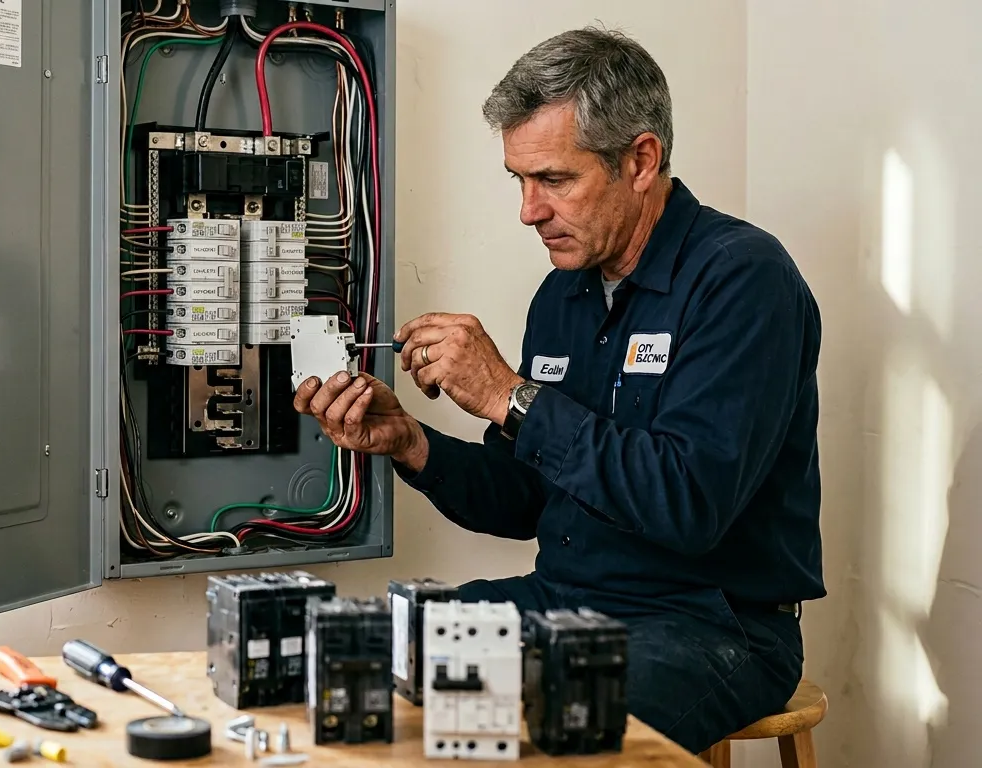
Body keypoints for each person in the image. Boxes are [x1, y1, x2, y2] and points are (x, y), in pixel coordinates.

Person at [293, 27, 824, 754]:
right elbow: (527, 499)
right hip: (564, 603)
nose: (529, 210)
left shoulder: (742, 280)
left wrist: (511, 396)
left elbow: (691, 505)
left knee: (562, 735)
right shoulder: (562, 297)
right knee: (353, 656)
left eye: (555, 179)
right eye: (520, 180)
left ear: (641, 160)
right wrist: (411, 444)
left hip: (708, 625)